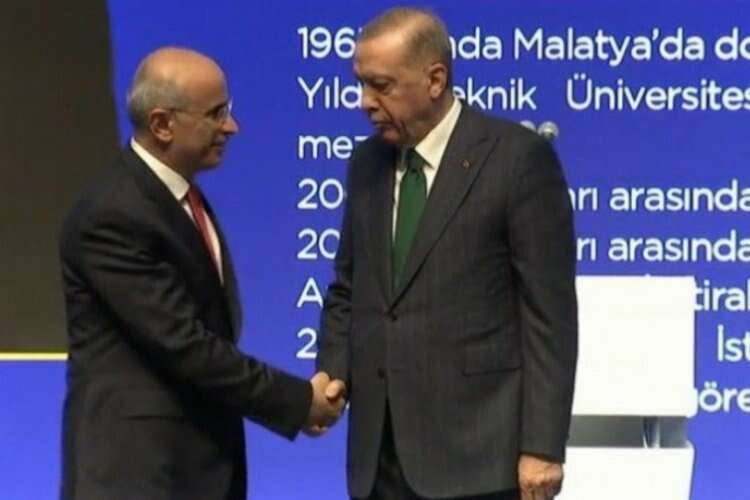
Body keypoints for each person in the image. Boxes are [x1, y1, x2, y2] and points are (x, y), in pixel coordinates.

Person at [315, 8, 578, 500]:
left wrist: (543, 446)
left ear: (435, 80)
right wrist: (333, 372)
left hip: (479, 455)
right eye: (361, 84)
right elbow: (350, 287)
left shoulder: (517, 158)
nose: (365, 102)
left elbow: (550, 317)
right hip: (380, 457)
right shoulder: (366, 162)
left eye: (380, 86)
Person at [59, 47, 344, 500]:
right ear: (162, 124)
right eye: (215, 114)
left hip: (192, 467)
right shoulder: (113, 213)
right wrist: (298, 402)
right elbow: (184, 345)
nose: (232, 127)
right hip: (138, 474)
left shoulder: (172, 197)